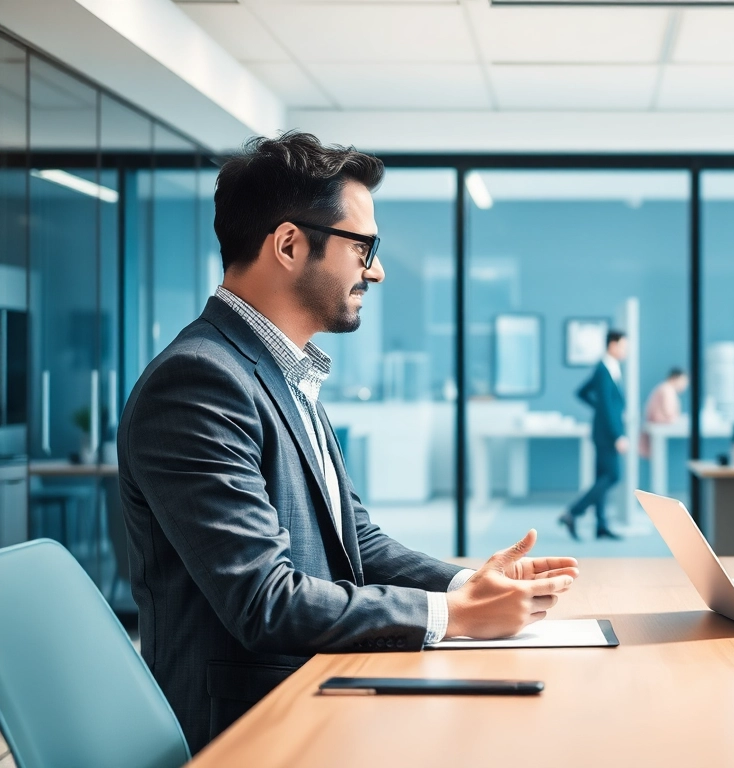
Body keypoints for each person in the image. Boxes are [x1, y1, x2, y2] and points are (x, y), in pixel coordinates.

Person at [118, 132, 580, 752]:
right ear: (289, 244)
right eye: (363, 246)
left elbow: (354, 541)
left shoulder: (282, 371)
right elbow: (264, 601)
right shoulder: (200, 382)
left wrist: (464, 585)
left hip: (319, 686)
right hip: (253, 725)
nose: (378, 269)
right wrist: (456, 618)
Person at [559, 330, 629, 541]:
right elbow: (607, 406)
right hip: (607, 433)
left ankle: (601, 525)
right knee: (613, 475)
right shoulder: (604, 369)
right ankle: (573, 512)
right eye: (624, 346)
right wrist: (618, 435)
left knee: (602, 477)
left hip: (602, 431)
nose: (626, 351)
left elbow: (583, 393)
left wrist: (597, 408)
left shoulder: (607, 368)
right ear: (612, 345)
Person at [640, 367, 689, 457]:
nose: (685, 385)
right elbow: (669, 413)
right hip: (659, 426)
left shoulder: (663, 388)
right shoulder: (667, 389)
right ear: (675, 378)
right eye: (683, 381)